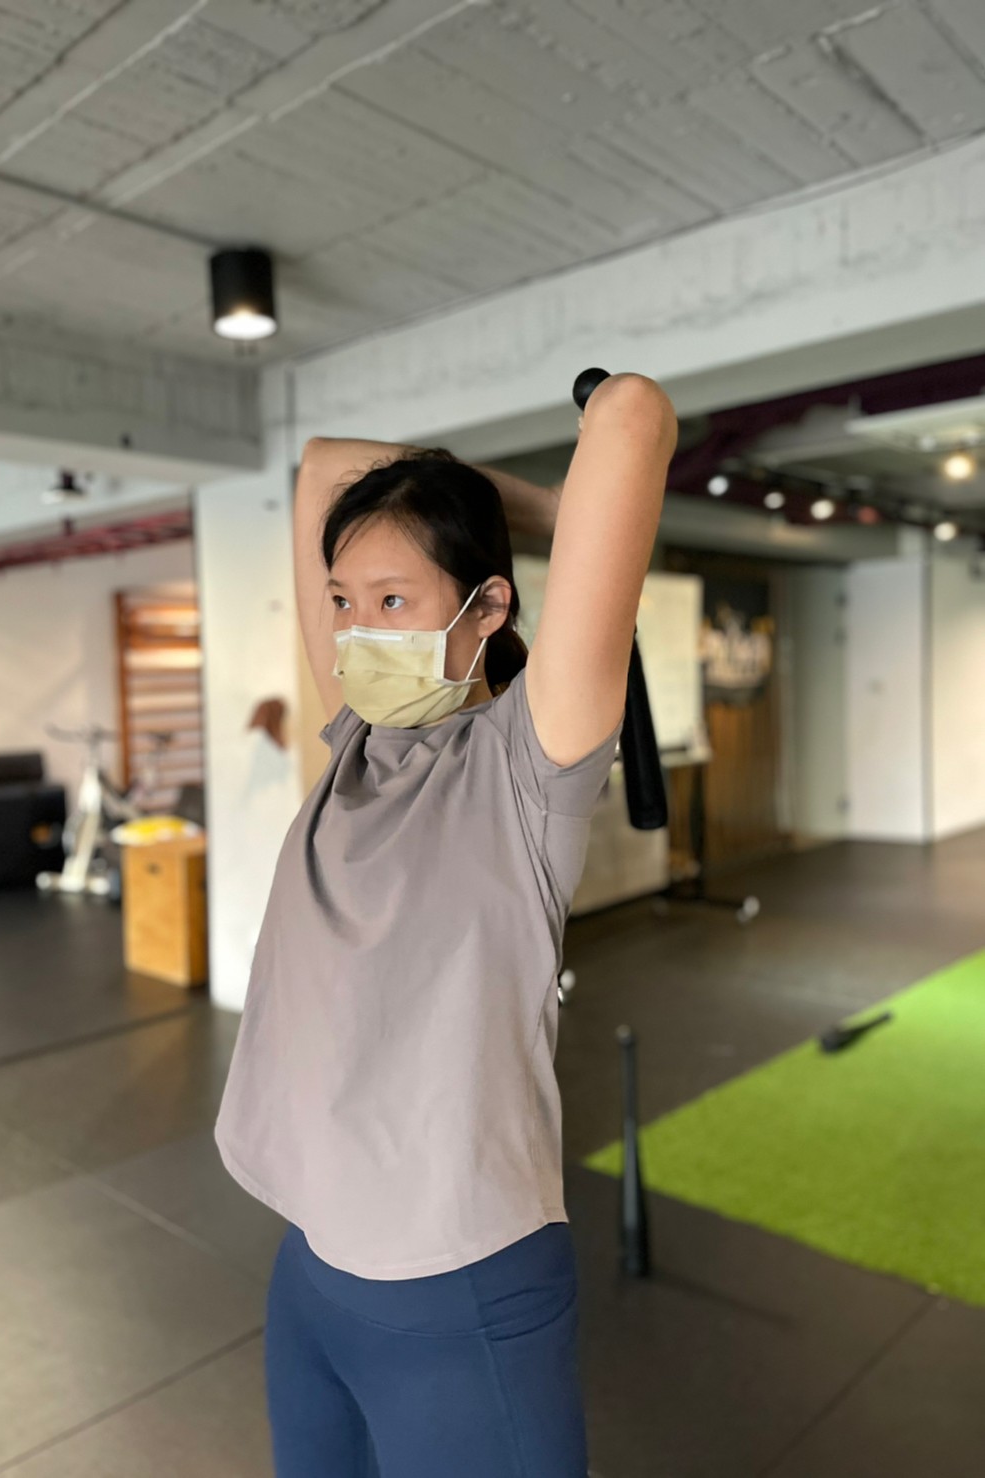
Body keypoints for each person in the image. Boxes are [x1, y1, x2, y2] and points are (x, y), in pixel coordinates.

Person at [214, 372, 678, 1477]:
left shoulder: (525, 768)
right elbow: (326, 465)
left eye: (392, 601)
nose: (354, 627)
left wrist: (566, 522)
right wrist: (481, 505)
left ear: (488, 608)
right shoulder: (359, 740)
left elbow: (630, 417)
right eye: (343, 599)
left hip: (456, 1290)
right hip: (310, 1267)